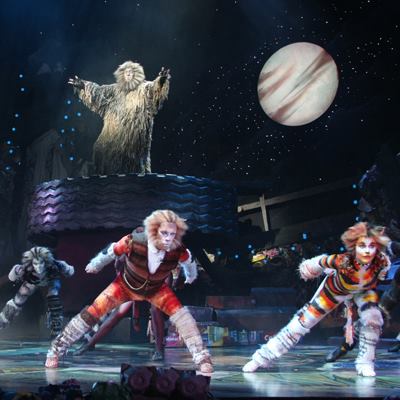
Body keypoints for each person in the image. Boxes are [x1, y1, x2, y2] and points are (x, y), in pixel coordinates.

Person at [45, 210, 213, 374]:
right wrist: (96, 264)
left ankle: (202, 358)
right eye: (164, 233)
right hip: (124, 286)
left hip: (156, 289)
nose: (168, 238)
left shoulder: (177, 249)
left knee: (183, 318)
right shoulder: (133, 241)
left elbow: (189, 261)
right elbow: (111, 251)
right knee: (93, 312)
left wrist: (190, 276)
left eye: (172, 234)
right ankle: (56, 350)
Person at [242, 222, 391, 377]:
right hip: (334, 290)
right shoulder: (342, 260)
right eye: (362, 246)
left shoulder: (382, 262)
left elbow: (380, 276)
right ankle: (262, 357)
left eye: (371, 246)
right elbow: (320, 261)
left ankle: (366, 362)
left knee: (374, 319)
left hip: (363, 291)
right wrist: (309, 269)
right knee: (303, 321)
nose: (367, 251)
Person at [68, 61, 170, 174]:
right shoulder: (114, 90)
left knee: (132, 167)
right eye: (126, 72)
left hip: (133, 141)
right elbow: (98, 93)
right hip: (112, 138)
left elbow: (154, 90)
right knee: (102, 153)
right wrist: (84, 85)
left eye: (131, 72)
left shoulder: (143, 89)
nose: (128, 74)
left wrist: (161, 80)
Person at [0, 247, 74, 337]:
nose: (39, 266)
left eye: (41, 263)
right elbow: (11, 277)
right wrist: (16, 273)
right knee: (19, 298)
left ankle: (56, 329)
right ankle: (3, 321)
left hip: (50, 282)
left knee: (53, 299)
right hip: (32, 282)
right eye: (36, 264)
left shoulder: (55, 265)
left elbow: (70, 271)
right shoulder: (24, 268)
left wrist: (66, 270)